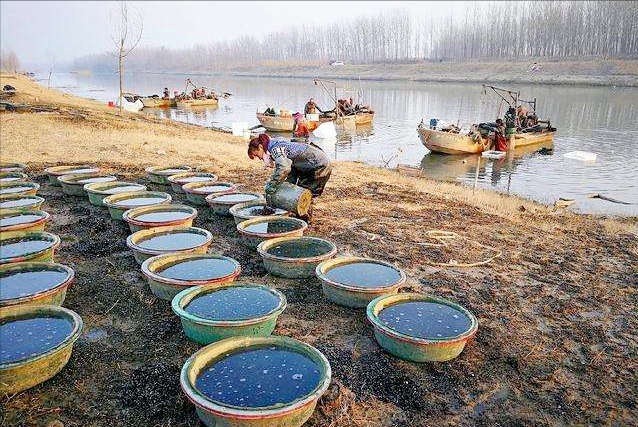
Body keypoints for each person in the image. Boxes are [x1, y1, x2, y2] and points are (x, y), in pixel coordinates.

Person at [247, 134, 332, 220]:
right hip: (312, 162)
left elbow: (284, 168)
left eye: (257, 155)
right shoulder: (276, 143)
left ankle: (304, 219)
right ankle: (302, 215)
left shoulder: (276, 149)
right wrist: (286, 185)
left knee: (304, 193)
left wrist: (272, 184)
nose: (260, 159)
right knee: (300, 190)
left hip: (318, 165)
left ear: (260, 147)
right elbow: (291, 169)